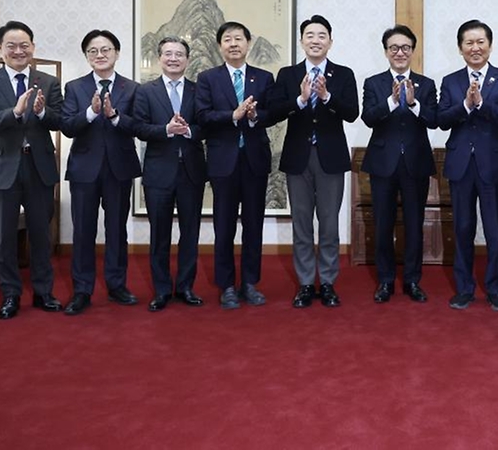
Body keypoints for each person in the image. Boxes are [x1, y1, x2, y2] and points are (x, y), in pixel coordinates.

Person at [0, 21, 64, 320]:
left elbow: (60, 120)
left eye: (24, 45)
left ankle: (43, 293)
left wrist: (41, 112)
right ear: (0, 49)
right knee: (5, 237)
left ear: (33, 47)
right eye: (11, 45)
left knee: (40, 235)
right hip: (1, 169)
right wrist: (15, 112)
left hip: (39, 168)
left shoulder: (48, 82)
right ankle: (10, 295)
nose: (18, 50)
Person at [271, 15, 359, 309]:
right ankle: (307, 283)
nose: (316, 40)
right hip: (298, 158)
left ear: (330, 41)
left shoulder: (343, 74)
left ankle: (329, 283)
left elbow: (352, 113)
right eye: (310, 35)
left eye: (322, 35)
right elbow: (273, 111)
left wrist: (326, 96)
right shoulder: (287, 74)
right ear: (301, 41)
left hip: (330, 158)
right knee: (302, 225)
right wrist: (300, 99)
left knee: (330, 225)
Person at [439, 19, 498, 311]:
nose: (475, 48)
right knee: (462, 228)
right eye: (469, 43)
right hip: (461, 164)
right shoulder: (451, 81)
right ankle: (464, 289)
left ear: (490, 45)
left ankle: (496, 289)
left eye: (480, 42)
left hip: (493, 164)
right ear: (460, 48)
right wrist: (465, 106)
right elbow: (441, 119)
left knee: (494, 230)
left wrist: (482, 105)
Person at [195, 21, 275, 310]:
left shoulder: (264, 77)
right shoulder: (208, 78)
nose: (233, 44)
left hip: (254, 160)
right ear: (220, 46)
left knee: (254, 225)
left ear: (248, 43)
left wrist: (254, 116)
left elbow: (273, 113)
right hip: (223, 161)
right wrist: (233, 114)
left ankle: (250, 283)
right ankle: (227, 285)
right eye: (227, 39)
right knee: (224, 225)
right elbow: (202, 115)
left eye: (238, 38)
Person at [61, 29, 142, 315]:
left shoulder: (132, 88)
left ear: (117, 53)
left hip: (119, 168)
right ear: (86, 56)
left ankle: (117, 285)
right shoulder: (74, 87)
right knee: (83, 231)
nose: (100, 55)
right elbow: (67, 126)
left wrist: (114, 116)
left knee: (116, 230)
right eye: (93, 51)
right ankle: (82, 290)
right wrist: (92, 112)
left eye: (106, 49)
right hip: (84, 170)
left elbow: (138, 127)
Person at [360, 25, 438, 303]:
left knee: (415, 224)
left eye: (405, 47)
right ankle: (385, 280)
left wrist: (413, 103)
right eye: (394, 47)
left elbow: (435, 120)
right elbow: (368, 117)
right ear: (386, 52)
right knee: (383, 224)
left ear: (413, 51)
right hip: (383, 163)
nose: (400, 52)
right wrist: (393, 101)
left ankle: (412, 280)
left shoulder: (426, 84)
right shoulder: (373, 83)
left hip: (415, 162)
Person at [133, 37, 207, 312]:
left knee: (190, 233)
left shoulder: (199, 90)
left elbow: (207, 125)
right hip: (158, 172)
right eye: (168, 54)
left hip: (191, 172)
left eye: (179, 54)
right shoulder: (145, 91)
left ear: (187, 60)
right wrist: (165, 130)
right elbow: (139, 127)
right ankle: (162, 290)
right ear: (159, 58)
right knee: (159, 235)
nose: (173, 58)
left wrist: (187, 131)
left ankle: (186, 287)